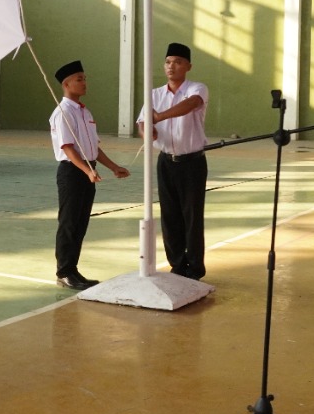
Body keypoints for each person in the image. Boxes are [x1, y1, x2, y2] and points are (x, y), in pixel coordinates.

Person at [50, 60, 130, 289]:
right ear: (66, 84)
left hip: (87, 170)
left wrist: (113, 166)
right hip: (72, 172)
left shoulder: (84, 112)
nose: (85, 83)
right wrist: (87, 170)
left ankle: (74, 270)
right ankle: (64, 272)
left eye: (85, 78)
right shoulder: (63, 112)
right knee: (69, 222)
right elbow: (68, 148)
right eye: (79, 79)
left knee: (81, 222)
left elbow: (93, 147)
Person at [136, 42, 209, 280]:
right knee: (169, 215)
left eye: (177, 62)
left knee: (192, 215)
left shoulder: (196, 88)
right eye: (168, 62)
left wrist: (159, 116)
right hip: (166, 161)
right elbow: (142, 123)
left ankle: (195, 268)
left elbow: (190, 105)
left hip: (192, 163)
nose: (171, 66)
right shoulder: (154, 94)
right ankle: (177, 265)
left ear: (188, 66)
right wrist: (148, 131)